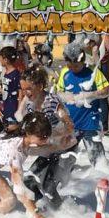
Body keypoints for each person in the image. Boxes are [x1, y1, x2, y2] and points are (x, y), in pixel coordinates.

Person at [17, 65, 76, 208]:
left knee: (48, 185)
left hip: (65, 149)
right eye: (23, 89)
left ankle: (65, 215)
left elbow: (69, 125)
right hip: (50, 150)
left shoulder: (52, 101)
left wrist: (54, 135)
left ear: (40, 86)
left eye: (29, 88)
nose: (26, 93)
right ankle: (38, 211)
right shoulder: (30, 106)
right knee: (30, 181)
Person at [55, 42, 109, 166]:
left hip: (90, 122)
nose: (73, 69)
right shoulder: (65, 73)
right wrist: (64, 96)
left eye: (76, 66)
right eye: (70, 65)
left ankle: (101, 180)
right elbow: (58, 91)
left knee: (98, 161)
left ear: (83, 61)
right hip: (70, 122)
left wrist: (90, 95)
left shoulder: (93, 72)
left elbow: (107, 90)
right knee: (64, 161)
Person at [0, 46, 22, 129]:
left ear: (6, 60)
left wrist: (19, 110)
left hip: (13, 107)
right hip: (7, 106)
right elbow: (7, 90)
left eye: (0, 58)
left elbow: (20, 93)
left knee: (12, 130)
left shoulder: (16, 74)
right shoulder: (6, 73)